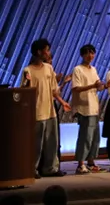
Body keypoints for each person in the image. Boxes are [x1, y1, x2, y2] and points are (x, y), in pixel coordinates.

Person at [22, 38, 70, 178]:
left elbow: (54, 90)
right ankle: (33, 169)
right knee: (36, 144)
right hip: (36, 111)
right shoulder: (28, 70)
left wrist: (62, 102)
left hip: (50, 110)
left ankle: (51, 168)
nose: (49, 53)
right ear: (39, 51)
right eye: (47, 50)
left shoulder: (49, 68)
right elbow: (24, 91)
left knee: (52, 142)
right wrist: (27, 83)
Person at [71, 44, 104, 174]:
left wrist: (105, 86)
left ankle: (91, 162)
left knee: (95, 137)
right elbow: (75, 88)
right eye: (87, 53)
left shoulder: (93, 69)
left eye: (92, 53)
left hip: (94, 107)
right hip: (84, 108)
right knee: (85, 136)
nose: (90, 56)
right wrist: (92, 86)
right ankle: (80, 164)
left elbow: (98, 86)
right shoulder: (77, 70)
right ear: (82, 55)